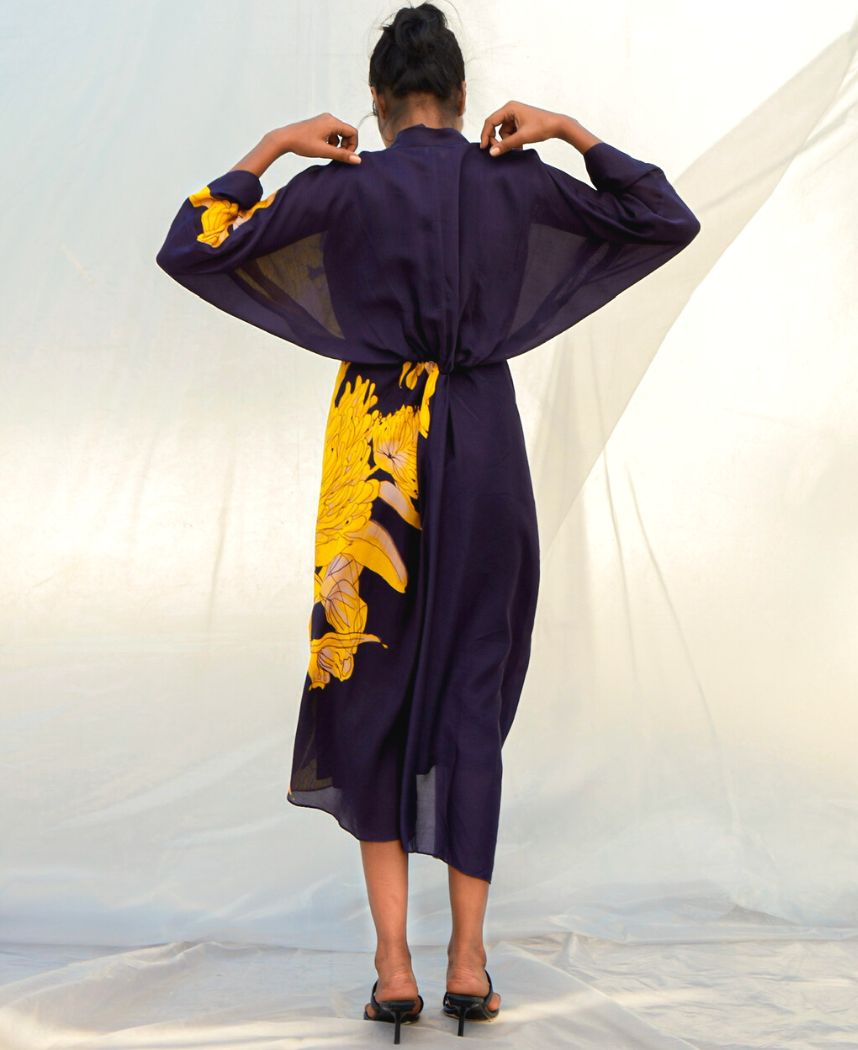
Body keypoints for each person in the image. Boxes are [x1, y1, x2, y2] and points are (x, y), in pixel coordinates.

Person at [155, 2, 701, 1039]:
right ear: (461, 97)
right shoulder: (514, 180)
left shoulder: (340, 187)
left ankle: (394, 967)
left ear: (377, 102)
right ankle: (470, 962)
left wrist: (272, 146)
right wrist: (569, 131)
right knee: (471, 687)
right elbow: (663, 216)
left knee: (370, 683)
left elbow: (192, 245)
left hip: (380, 458)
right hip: (484, 446)